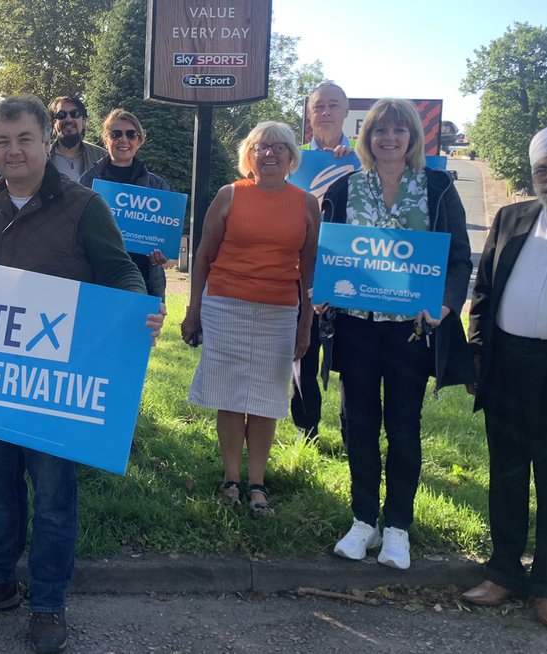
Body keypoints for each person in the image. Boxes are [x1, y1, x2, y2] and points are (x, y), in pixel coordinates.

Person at [0, 94, 165, 654]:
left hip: (56, 380)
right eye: (2, 142)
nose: (13, 151)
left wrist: (140, 311)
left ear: (46, 143)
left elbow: (119, 273)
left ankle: (49, 601)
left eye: (24, 139)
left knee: (54, 494)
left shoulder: (85, 206)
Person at [461, 120, 547, 628]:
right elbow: (482, 294)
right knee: (507, 474)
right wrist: (477, 354)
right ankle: (502, 572)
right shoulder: (511, 217)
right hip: (508, 367)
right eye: (544, 169)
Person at [324, 99, 472, 570]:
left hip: (412, 333)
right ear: (366, 137)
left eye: (398, 130)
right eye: (379, 130)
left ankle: (398, 529)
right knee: (359, 425)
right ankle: (363, 519)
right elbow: (329, 253)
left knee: (404, 429)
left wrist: (446, 305)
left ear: (413, 137)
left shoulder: (437, 187)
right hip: (356, 328)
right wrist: (323, 289)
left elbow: (460, 259)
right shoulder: (346, 188)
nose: (389, 138)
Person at [180, 122, 319, 518]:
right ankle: (231, 478)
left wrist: (305, 323)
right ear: (249, 155)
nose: (270, 154)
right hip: (225, 307)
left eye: (278, 147)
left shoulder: (307, 204)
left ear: (291, 155)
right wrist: (193, 311)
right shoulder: (229, 196)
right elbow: (203, 256)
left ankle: (257, 483)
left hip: (279, 312)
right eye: (261, 147)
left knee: (265, 399)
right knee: (229, 395)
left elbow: (308, 270)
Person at [293, 82, 354, 443]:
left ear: (346, 111)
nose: (326, 112)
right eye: (319, 106)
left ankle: (351, 433)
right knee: (303, 350)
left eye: (334, 105)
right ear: (309, 113)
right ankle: (307, 430)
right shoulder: (291, 159)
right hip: (300, 267)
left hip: (352, 268)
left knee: (352, 355)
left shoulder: (364, 160)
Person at [79, 108, 171, 299]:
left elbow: (165, 241)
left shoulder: (158, 186)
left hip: (144, 279)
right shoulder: (89, 181)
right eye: (116, 134)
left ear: (139, 140)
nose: (124, 140)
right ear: (106, 139)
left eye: (131, 134)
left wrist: (162, 255)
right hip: (96, 278)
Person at [47, 96, 106, 182]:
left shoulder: (102, 157)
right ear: (54, 123)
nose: (68, 119)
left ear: (83, 121)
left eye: (75, 114)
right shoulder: (42, 158)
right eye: (61, 115)